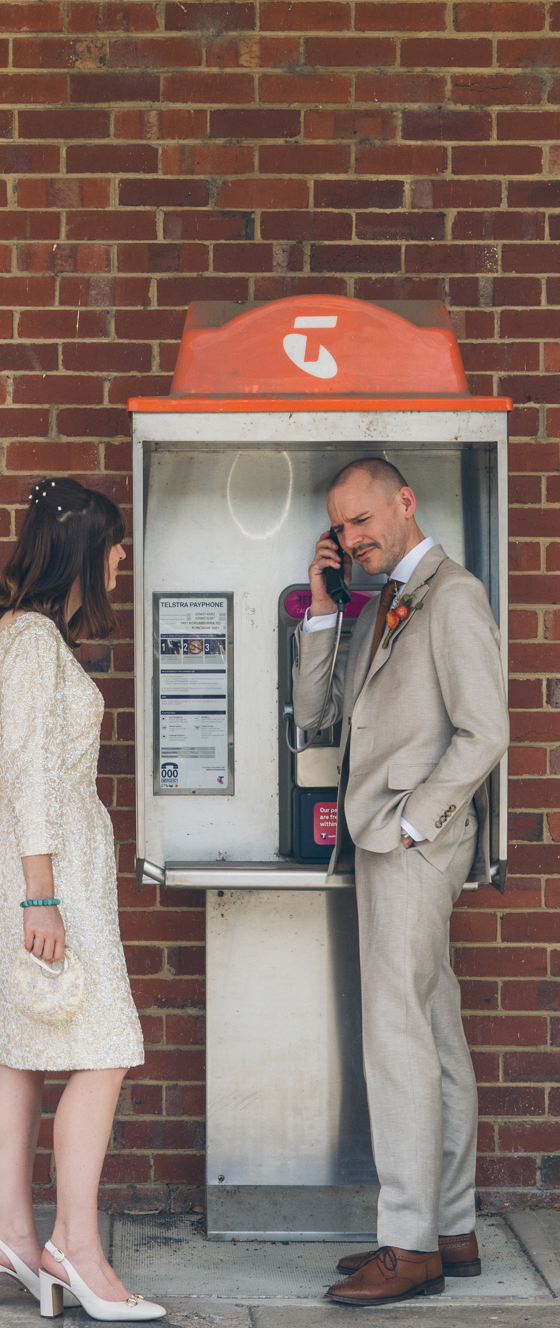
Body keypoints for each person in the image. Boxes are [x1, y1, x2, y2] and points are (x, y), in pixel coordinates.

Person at [293, 458, 509, 1308]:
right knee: (434, 1031)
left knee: (397, 1038)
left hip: (412, 845)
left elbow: (484, 730)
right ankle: (450, 1229)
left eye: (363, 521)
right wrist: (321, 605)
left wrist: (417, 820)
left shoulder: (452, 596)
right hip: (392, 842)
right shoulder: (380, 602)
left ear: (405, 503)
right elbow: (319, 713)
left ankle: (409, 1243)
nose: (353, 538)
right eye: (341, 528)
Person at [0, 477, 165, 1323]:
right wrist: (40, 897)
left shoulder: (25, 640)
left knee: (22, 1045)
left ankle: (11, 1236)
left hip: (43, 863)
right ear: (83, 549)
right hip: (47, 870)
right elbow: (29, 778)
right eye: (115, 542)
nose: (123, 556)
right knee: (106, 1043)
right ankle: (73, 1247)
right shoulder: (31, 646)